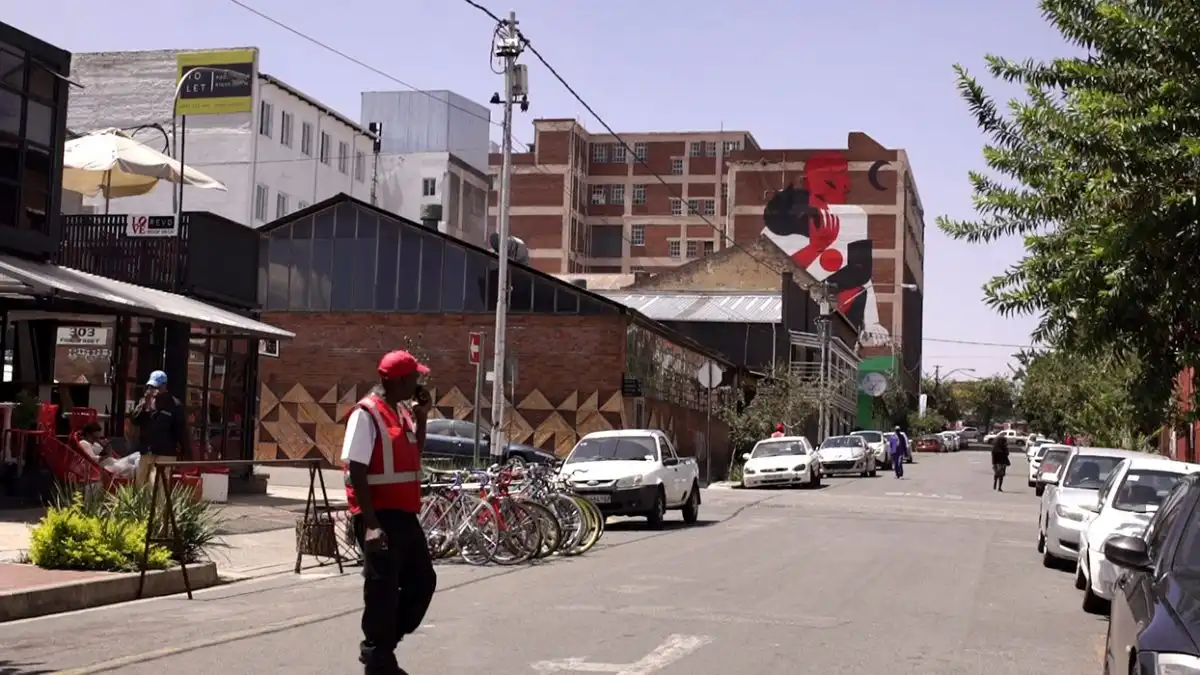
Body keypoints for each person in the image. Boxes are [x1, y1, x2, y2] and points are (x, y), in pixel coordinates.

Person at [341, 350, 438, 674]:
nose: (418, 383)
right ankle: (378, 656)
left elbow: (413, 453)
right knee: (381, 590)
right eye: (414, 377)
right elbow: (355, 468)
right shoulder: (366, 414)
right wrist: (369, 524)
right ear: (396, 380)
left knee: (422, 581)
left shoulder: (400, 412)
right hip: (378, 515)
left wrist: (422, 416)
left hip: (404, 514)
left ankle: (381, 648)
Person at [131, 370, 187, 487]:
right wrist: (145, 405)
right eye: (150, 387)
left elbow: (181, 430)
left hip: (165, 452)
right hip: (147, 450)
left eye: (156, 387)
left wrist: (183, 451)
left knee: (159, 485)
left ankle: (159, 506)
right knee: (140, 483)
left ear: (164, 386)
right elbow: (135, 420)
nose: (154, 390)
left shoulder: (175, 405)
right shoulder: (144, 402)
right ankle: (141, 505)